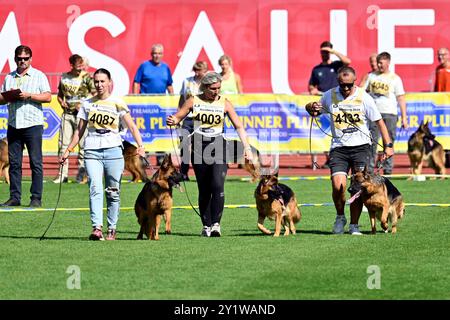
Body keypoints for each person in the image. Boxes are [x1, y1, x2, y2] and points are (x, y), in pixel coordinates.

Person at [305, 66, 394, 235]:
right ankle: (340, 217)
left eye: (349, 85)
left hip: (361, 147)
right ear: (338, 82)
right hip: (339, 148)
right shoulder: (329, 95)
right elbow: (314, 110)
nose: (345, 88)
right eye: (342, 85)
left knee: (356, 187)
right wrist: (310, 107)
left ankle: (354, 225)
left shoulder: (363, 97)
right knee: (338, 186)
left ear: (354, 81)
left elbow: (379, 122)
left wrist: (388, 146)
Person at [60, 68, 145, 241]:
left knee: (113, 192)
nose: (99, 85)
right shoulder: (87, 103)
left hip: (114, 150)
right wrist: (68, 150)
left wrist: (140, 146)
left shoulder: (117, 103)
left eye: (102, 81)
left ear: (109, 82)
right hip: (92, 150)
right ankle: (96, 228)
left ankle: (111, 228)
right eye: (96, 81)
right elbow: (79, 131)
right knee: (95, 188)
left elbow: (132, 127)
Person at [166, 72, 253, 237]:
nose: (216, 91)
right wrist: (173, 120)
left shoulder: (225, 103)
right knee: (204, 188)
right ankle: (206, 226)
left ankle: (216, 225)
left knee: (217, 185)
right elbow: (177, 117)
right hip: (199, 146)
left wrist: (247, 148)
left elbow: (239, 126)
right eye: (213, 88)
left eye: (219, 88)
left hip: (219, 145)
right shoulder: (193, 100)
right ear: (205, 87)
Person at [0, 45, 51, 208]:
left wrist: (29, 95)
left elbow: (48, 97)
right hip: (14, 124)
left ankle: (36, 197)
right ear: (15, 59)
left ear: (31, 59)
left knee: (36, 162)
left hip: (33, 124)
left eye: (25, 58)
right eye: (20, 58)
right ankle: (15, 197)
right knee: (14, 163)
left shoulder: (39, 75)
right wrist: (8, 96)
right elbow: (1, 98)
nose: (22, 61)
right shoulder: (9, 77)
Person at [363, 51, 408, 174]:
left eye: (381, 63)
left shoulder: (395, 78)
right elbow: (362, 91)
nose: (379, 65)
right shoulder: (371, 76)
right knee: (372, 142)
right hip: (374, 114)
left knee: (388, 142)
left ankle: (387, 170)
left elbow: (401, 98)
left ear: (388, 63)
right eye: (378, 62)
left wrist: (404, 117)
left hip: (389, 113)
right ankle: (370, 171)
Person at [308, 41, 351, 168]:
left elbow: (348, 62)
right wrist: (312, 90)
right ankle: (328, 158)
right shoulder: (317, 69)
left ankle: (336, 157)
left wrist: (333, 52)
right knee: (323, 131)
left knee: (338, 129)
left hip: (338, 102)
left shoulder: (337, 65)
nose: (324, 54)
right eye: (323, 52)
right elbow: (311, 85)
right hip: (323, 103)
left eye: (327, 52)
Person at [54, 54, 95, 184]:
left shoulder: (87, 77)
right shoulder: (64, 77)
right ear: (71, 65)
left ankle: (82, 175)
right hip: (67, 114)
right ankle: (62, 175)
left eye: (81, 66)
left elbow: (95, 95)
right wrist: (61, 102)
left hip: (82, 115)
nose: (80, 69)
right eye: (78, 67)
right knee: (63, 145)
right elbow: (59, 95)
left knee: (83, 146)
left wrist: (84, 104)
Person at [133, 43, 173, 165]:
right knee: (147, 132)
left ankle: (161, 158)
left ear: (162, 54)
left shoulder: (166, 67)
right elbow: (136, 82)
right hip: (146, 107)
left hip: (160, 107)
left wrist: (172, 100)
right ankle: (146, 158)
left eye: (159, 53)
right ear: (151, 54)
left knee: (160, 131)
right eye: (155, 53)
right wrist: (135, 100)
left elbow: (169, 85)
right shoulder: (144, 66)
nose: (157, 55)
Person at [177, 61, 209, 180]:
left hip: (201, 119)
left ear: (205, 71)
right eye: (195, 70)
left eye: (199, 70)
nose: (196, 72)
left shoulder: (208, 84)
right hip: (187, 118)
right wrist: (178, 116)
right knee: (184, 146)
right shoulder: (187, 81)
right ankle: (184, 173)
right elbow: (182, 99)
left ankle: (201, 173)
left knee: (199, 147)